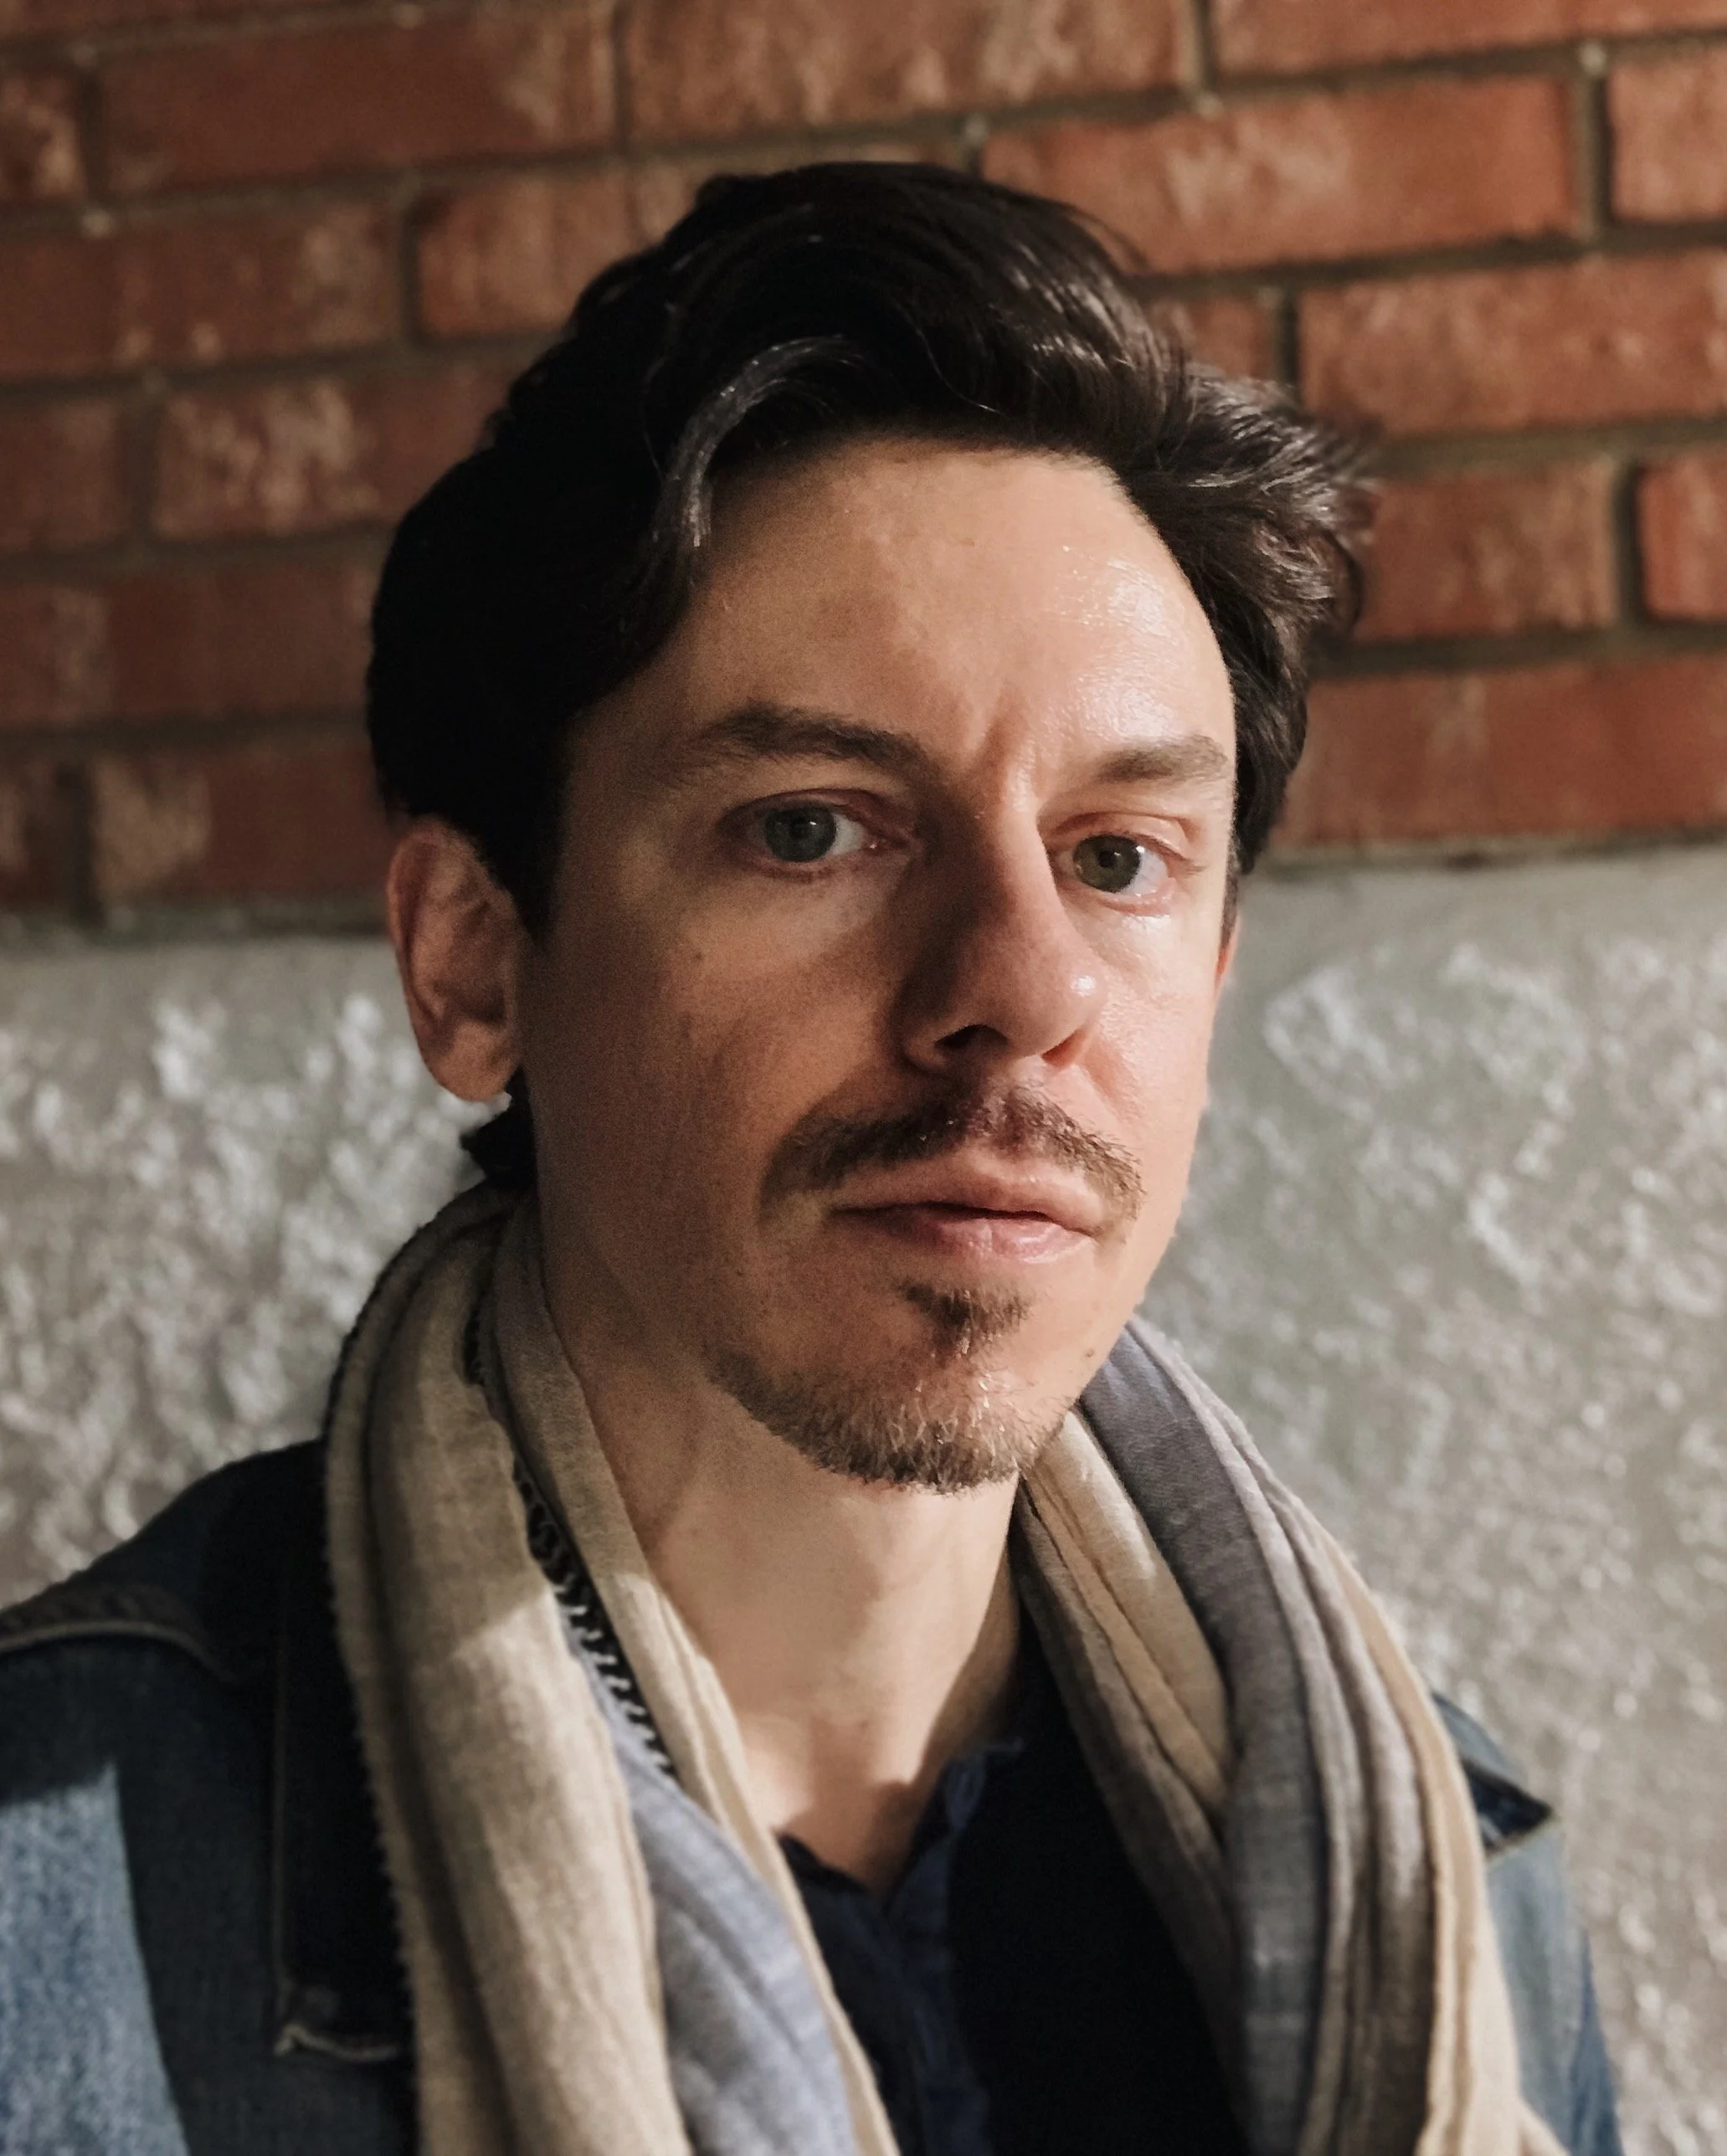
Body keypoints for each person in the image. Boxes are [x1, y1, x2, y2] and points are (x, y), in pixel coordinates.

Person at [0, 163, 1619, 2156]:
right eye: (811, 827)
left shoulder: (1447, 1891)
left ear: (1210, 969)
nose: (1018, 988)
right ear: (474, 960)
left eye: (1117, 857)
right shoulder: (50, 1902)